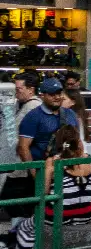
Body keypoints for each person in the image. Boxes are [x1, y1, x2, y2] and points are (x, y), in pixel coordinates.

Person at [0, 125, 91, 249]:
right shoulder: (87, 159)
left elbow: (43, 193)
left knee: (23, 227)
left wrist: (47, 172)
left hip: (59, 216)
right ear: (78, 141)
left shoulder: (53, 161)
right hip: (85, 215)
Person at [2, 73, 43, 226]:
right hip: (22, 163)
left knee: (10, 196)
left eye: (18, 89)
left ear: (31, 89)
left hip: (24, 163)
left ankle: (23, 228)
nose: (15, 93)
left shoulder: (32, 107)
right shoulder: (26, 105)